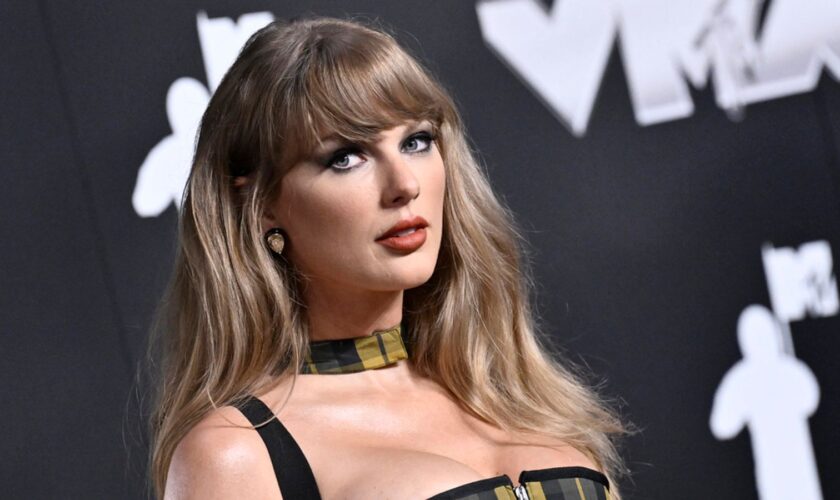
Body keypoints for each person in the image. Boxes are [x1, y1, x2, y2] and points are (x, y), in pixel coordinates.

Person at [149, 16, 626, 500]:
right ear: (260, 205)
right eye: (346, 157)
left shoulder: (519, 394)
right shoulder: (237, 453)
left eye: (416, 142)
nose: (405, 185)